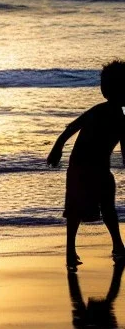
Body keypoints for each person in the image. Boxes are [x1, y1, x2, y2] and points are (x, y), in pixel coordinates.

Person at [47, 60, 125, 271]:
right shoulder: (100, 111)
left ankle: (118, 246)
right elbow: (73, 127)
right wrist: (57, 147)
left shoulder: (121, 119)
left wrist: (58, 146)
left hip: (99, 168)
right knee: (75, 209)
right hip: (80, 166)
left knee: (107, 205)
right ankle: (70, 250)